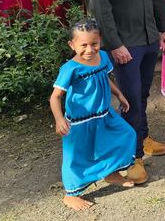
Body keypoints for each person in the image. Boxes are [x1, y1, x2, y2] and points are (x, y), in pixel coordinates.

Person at [88, 0, 165, 184]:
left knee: (143, 94)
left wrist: (164, 29)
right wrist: (114, 44)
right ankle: (131, 157)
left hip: (148, 37)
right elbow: (99, 5)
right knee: (130, 99)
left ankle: (142, 137)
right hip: (125, 43)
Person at [49, 19, 136, 211]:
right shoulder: (70, 69)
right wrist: (59, 119)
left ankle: (111, 173)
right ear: (72, 45)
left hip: (104, 114)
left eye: (94, 43)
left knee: (126, 134)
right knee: (76, 156)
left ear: (100, 41)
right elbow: (55, 97)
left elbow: (104, 77)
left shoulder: (103, 57)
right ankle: (70, 195)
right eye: (83, 45)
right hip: (80, 121)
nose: (90, 49)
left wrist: (119, 95)